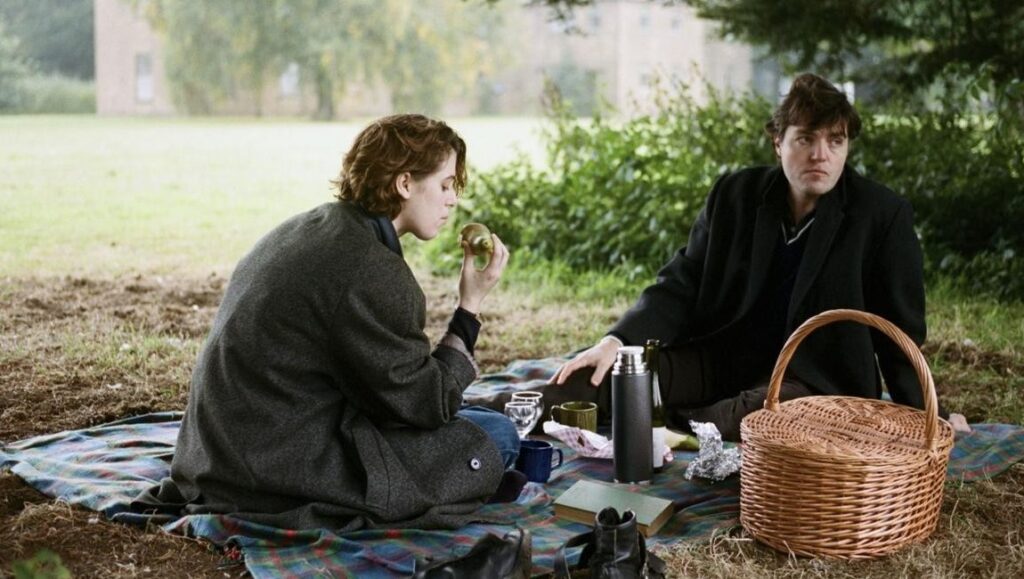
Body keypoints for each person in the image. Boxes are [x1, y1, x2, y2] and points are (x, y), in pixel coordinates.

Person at [134, 114, 523, 531]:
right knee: (498, 434)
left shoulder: (308, 226)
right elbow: (428, 405)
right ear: (405, 184)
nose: (452, 201)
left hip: (215, 452)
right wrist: (469, 307)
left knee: (473, 416)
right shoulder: (372, 269)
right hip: (270, 468)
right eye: (444, 185)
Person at [551, 73, 970, 441]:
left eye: (835, 140)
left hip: (812, 384)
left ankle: (660, 425)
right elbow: (681, 283)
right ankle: (512, 420)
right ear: (778, 142)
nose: (821, 154)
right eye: (805, 139)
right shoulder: (734, 196)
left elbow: (899, 332)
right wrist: (617, 342)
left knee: (744, 421)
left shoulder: (880, 215)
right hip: (721, 360)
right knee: (601, 379)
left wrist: (927, 413)